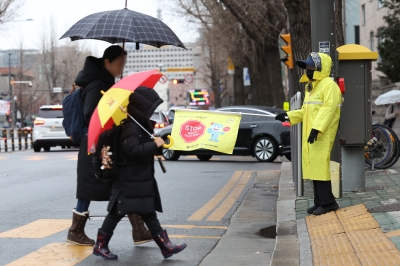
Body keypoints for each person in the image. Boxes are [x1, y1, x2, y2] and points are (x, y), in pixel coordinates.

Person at [66, 45, 152, 246]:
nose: (121, 68)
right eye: (119, 64)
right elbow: (91, 115)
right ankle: (75, 230)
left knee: (121, 182)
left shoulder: (107, 83)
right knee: (91, 187)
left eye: (124, 64)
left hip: (106, 142)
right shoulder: (97, 84)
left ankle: (138, 229)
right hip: (97, 143)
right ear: (107, 62)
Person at [93, 87, 187, 260]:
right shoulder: (131, 127)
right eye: (150, 109)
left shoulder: (139, 125)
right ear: (142, 109)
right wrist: (154, 145)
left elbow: (141, 149)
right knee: (117, 212)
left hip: (138, 179)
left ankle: (166, 247)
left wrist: (156, 144)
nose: (152, 113)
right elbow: (133, 150)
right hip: (129, 180)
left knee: (148, 211)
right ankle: (100, 245)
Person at [275, 52, 341, 215]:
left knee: (320, 165)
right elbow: (306, 111)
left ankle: (327, 203)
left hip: (322, 132)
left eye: (310, 66)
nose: (308, 70)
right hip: (312, 132)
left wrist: (317, 128)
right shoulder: (313, 87)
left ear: (320, 67)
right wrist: (289, 115)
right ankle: (321, 201)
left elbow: (329, 109)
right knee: (313, 166)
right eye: (307, 67)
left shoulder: (329, 85)